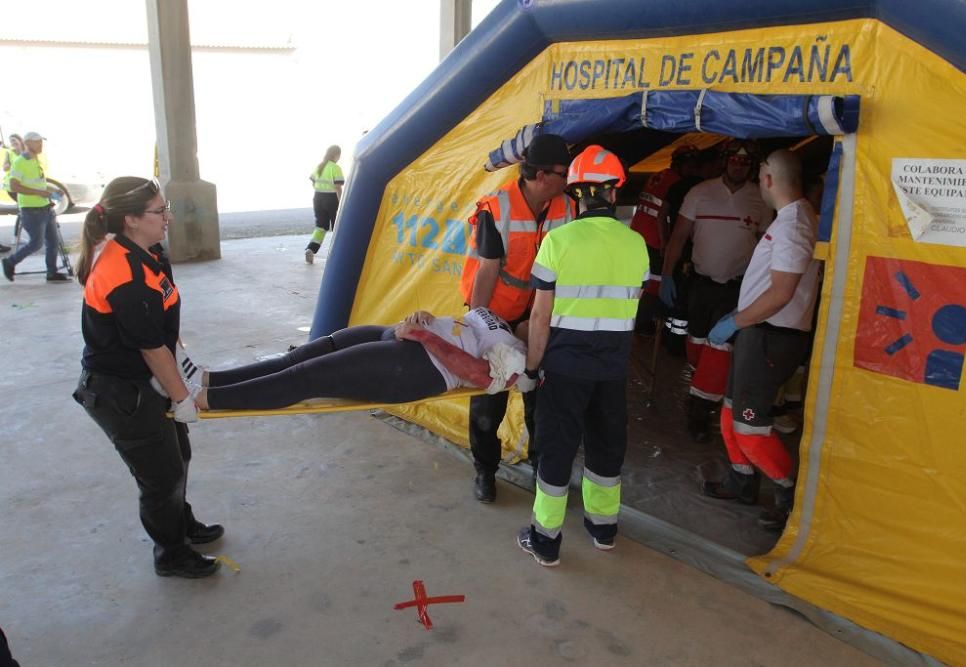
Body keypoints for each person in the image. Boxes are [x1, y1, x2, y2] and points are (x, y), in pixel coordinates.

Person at [71, 176, 223, 578]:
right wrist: (183, 397)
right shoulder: (122, 271)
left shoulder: (143, 252)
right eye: (160, 210)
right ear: (132, 219)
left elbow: (163, 332)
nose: (168, 216)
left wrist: (183, 371)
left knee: (178, 456)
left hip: (143, 381)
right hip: (121, 394)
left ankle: (181, 524)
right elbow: (150, 347)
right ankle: (170, 553)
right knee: (161, 476)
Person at [516, 145, 649, 567]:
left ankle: (546, 539)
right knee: (606, 448)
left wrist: (532, 370)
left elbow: (540, 317)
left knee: (556, 451)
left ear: (575, 196)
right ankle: (603, 529)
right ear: (613, 194)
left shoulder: (558, 241)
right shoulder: (637, 245)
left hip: (564, 369)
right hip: (611, 369)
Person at [701, 149, 822, 533]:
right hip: (759, 331)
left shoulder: (795, 224)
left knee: (750, 429)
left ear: (768, 180)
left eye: (760, 176)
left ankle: (789, 496)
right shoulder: (790, 219)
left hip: (773, 335)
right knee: (730, 413)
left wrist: (735, 321)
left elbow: (782, 291)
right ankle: (743, 481)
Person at [458, 133, 574, 503]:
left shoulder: (568, 208)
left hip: (541, 314)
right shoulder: (496, 208)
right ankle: (485, 471)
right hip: (495, 313)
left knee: (542, 399)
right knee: (489, 403)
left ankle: (543, 474)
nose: (568, 178)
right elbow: (487, 271)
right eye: (563, 172)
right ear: (541, 175)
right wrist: (482, 328)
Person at [192, 307, 530, 411]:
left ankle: (203, 399)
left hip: (418, 367)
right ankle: (207, 379)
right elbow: (459, 330)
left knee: (307, 376)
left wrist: (424, 336)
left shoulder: (516, 350)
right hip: (403, 338)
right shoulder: (495, 317)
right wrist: (425, 318)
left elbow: (485, 377)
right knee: (297, 358)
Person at [658, 139, 772, 442]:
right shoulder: (700, 193)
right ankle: (703, 388)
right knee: (696, 347)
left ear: (753, 167)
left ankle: (700, 411)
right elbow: (679, 236)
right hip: (700, 285)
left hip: (736, 289)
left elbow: (766, 247)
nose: (739, 165)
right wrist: (666, 275)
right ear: (724, 161)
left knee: (719, 352)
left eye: (745, 162)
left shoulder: (760, 200)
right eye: (734, 160)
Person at [630, 145, 699, 336]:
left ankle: (639, 321)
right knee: (653, 284)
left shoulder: (658, 175)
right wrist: (664, 242)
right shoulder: (676, 184)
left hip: (638, 233)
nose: (692, 170)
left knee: (640, 280)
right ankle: (644, 324)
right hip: (653, 238)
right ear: (680, 164)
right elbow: (663, 215)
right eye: (690, 165)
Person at [2, 132, 68, 282]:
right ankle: (10, 261)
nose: (41, 146)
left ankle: (52, 272)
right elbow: (14, 186)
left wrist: (52, 192)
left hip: (45, 208)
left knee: (53, 242)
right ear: (28, 143)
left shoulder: (36, 160)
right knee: (36, 243)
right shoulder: (20, 161)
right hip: (31, 210)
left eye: (41, 143)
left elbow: (38, 183)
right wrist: (39, 192)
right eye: (38, 143)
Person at [305, 144, 345, 264]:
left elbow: (313, 182)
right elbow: (338, 187)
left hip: (317, 198)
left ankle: (311, 249)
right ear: (336, 155)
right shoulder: (335, 168)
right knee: (337, 227)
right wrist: (341, 201)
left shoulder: (319, 166)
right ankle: (337, 255)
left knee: (320, 227)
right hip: (331, 198)